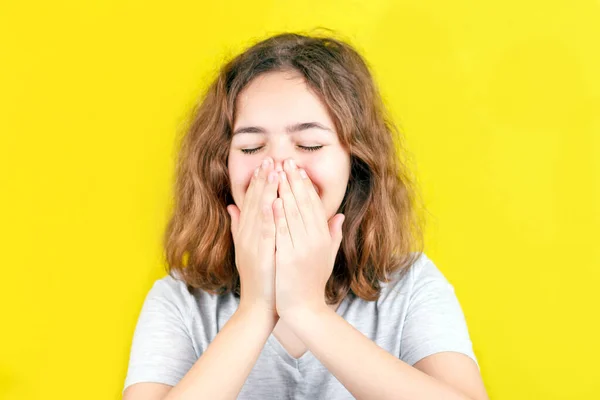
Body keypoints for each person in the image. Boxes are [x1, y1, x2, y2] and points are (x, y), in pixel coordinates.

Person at [122, 30, 489, 400]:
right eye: (251, 147)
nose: (279, 165)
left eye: (309, 144)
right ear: (222, 165)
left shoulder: (410, 288)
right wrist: (256, 309)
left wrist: (307, 310)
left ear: (355, 161)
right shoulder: (180, 300)